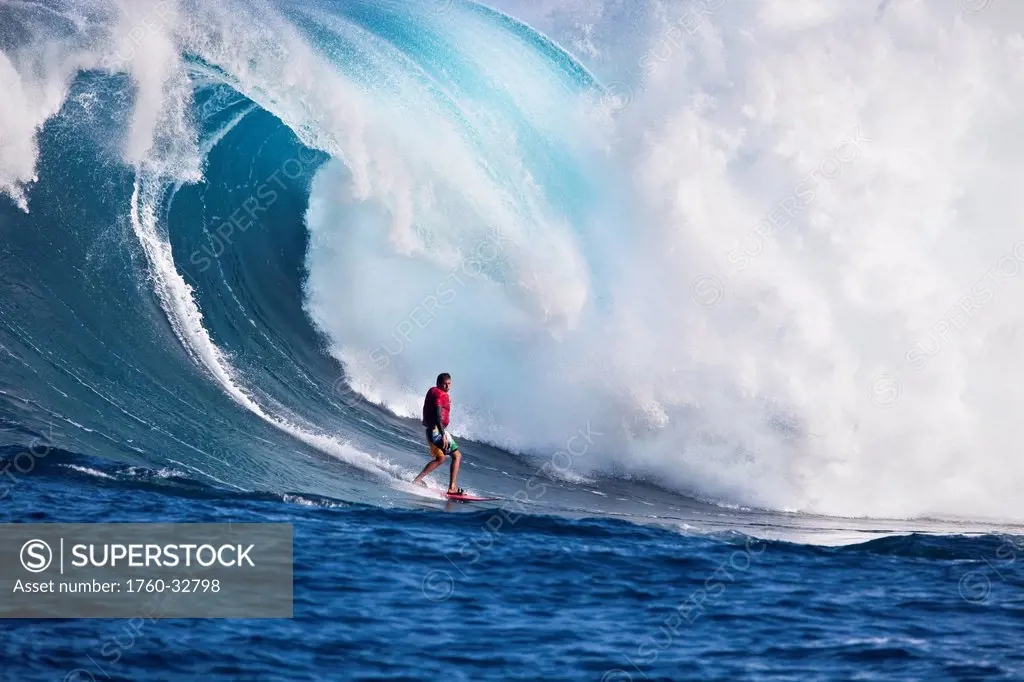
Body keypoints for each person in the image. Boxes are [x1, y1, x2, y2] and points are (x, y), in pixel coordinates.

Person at [412, 372, 464, 495]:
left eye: (449, 384)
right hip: (437, 431)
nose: (447, 387)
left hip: (431, 431)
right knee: (457, 456)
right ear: (439, 384)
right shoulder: (440, 395)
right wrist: (443, 434)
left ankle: (418, 480)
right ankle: (452, 487)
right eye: (445, 384)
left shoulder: (434, 391)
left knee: (440, 458)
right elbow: (437, 416)